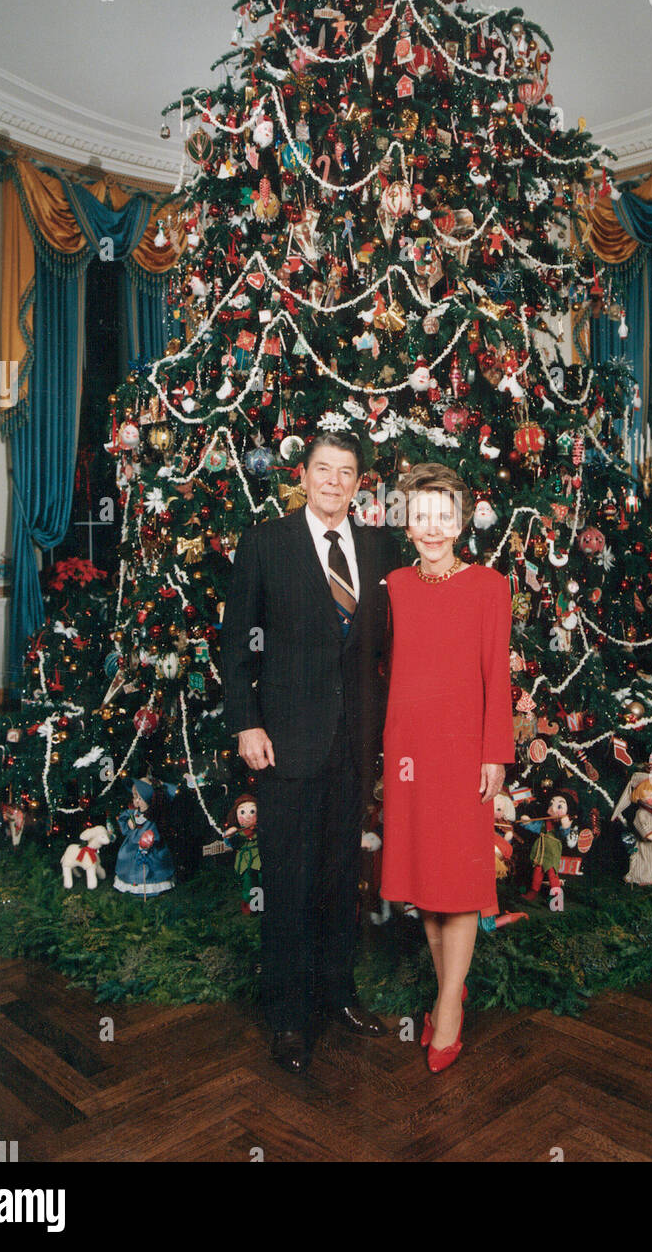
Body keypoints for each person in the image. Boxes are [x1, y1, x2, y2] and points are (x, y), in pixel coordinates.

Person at [221, 430, 401, 1074]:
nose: (333, 481)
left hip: (353, 745)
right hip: (284, 745)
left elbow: (388, 650)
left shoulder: (381, 547)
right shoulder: (266, 542)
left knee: (336, 877)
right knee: (289, 880)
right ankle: (289, 1016)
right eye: (322, 469)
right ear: (303, 474)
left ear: (359, 484)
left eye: (346, 472)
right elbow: (237, 643)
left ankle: (337, 992)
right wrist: (246, 723)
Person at [380, 463, 515, 1074]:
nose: (432, 528)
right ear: (407, 522)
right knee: (427, 883)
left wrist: (495, 755)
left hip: (465, 751)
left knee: (458, 881)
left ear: (462, 521)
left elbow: (497, 677)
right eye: (421, 516)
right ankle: (449, 988)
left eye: (444, 516)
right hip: (408, 751)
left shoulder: (490, 586)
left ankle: (449, 1011)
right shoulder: (395, 586)